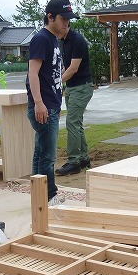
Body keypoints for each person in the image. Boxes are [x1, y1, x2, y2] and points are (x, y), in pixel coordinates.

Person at [26, 0, 77, 205]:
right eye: (63, 19)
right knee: (47, 156)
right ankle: (48, 196)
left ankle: (39, 195)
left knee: (41, 153)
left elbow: (52, 74)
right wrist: (39, 103)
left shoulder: (53, 39)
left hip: (50, 105)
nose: (66, 23)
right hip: (44, 106)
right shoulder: (42, 39)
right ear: (50, 17)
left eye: (68, 19)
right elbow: (32, 73)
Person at [55, 25, 93, 176]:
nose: (56, 34)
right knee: (76, 123)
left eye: (57, 30)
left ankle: (74, 162)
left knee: (72, 122)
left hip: (81, 87)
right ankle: (83, 158)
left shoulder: (77, 40)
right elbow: (67, 67)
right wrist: (57, 79)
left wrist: (57, 83)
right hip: (72, 87)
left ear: (65, 25)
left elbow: (73, 68)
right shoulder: (64, 41)